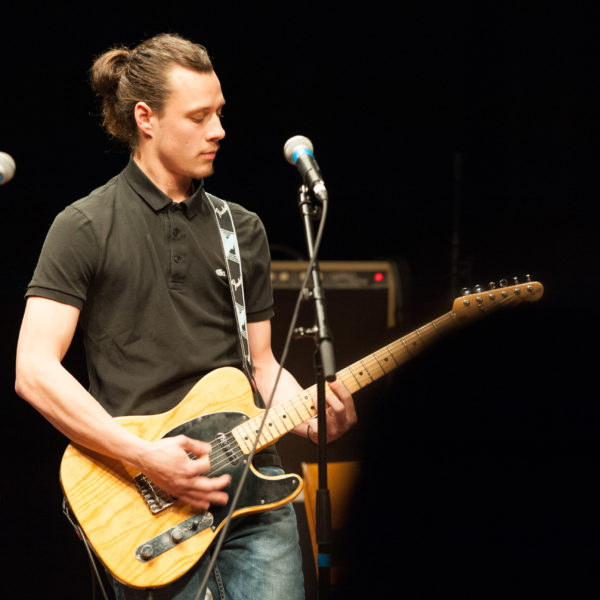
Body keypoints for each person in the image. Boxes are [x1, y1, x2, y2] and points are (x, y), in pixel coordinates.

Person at [15, 33, 357, 600]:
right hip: (147, 498)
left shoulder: (241, 228)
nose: (218, 130)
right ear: (145, 118)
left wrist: (310, 417)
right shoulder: (84, 225)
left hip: (254, 489)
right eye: (198, 117)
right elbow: (34, 370)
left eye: (219, 113)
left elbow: (263, 365)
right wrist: (145, 455)